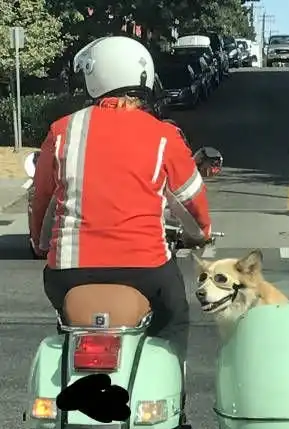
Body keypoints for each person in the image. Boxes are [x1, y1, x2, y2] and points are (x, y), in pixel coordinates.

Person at [31, 35, 212, 397]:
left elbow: (41, 198)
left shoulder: (62, 131)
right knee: (174, 317)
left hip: (68, 272)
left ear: (93, 78)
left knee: (68, 322)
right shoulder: (163, 135)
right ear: (143, 78)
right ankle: (171, 393)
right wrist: (202, 232)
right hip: (145, 269)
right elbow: (192, 198)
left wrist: (39, 242)